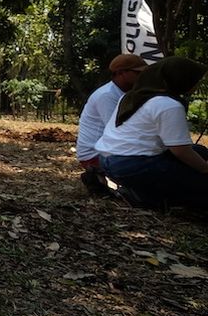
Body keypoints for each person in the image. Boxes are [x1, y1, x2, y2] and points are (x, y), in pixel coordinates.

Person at [95, 57, 208, 208]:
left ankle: (140, 190)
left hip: (107, 160)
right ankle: (145, 196)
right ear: (183, 79)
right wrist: (204, 168)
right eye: (196, 80)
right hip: (133, 165)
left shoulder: (133, 95)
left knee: (200, 151)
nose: (198, 84)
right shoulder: (168, 105)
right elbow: (180, 151)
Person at [76, 53, 147, 196]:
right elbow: (119, 131)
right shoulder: (108, 95)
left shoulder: (122, 94)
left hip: (105, 150)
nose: (142, 77)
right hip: (95, 154)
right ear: (121, 73)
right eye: (138, 73)